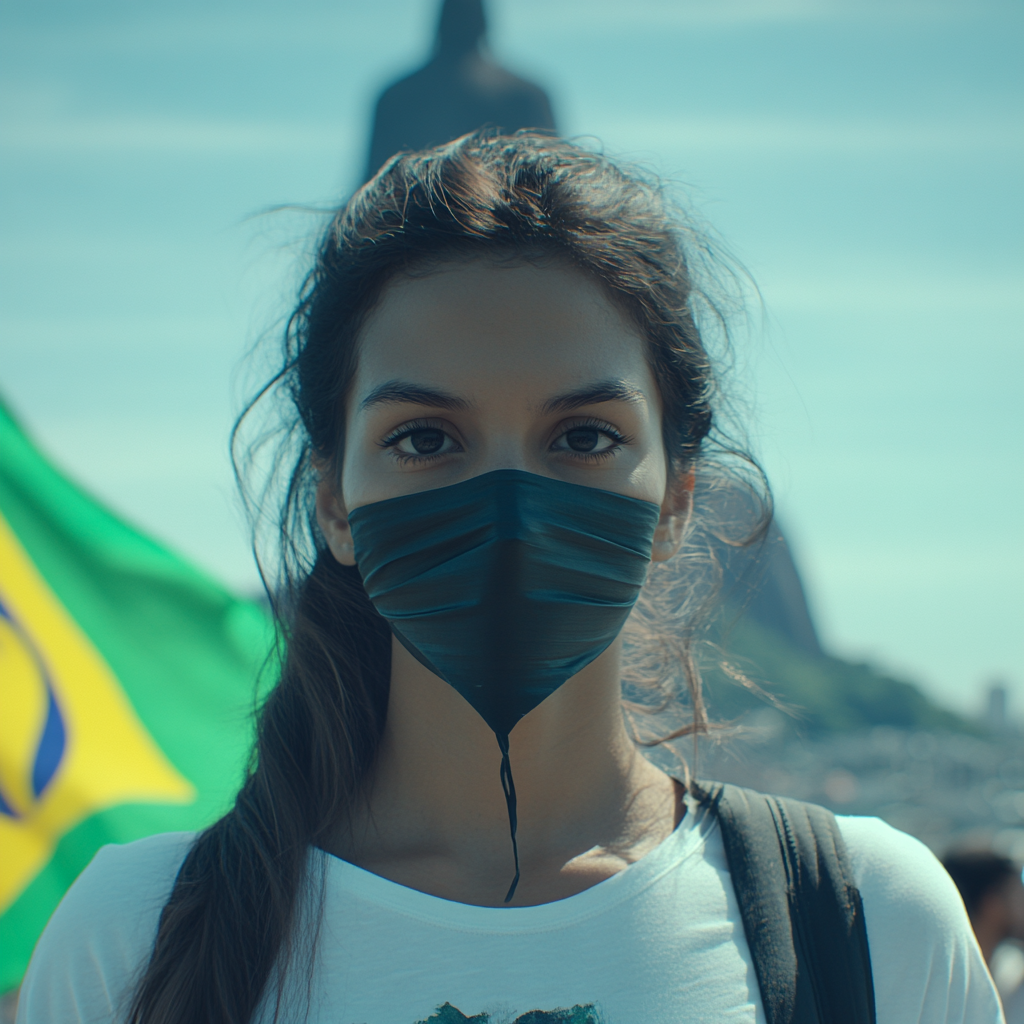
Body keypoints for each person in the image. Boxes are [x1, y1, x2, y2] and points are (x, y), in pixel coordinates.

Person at [16, 133, 1001, 1024]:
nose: (507, 505)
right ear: (333, 503)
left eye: (582, 437)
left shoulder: (869, 923)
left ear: (675, 500)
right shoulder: (133, 937)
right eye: (424, 438)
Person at [364, 0, 555, 182]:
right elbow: (553, 184)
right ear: (484, 22)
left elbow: (369, 189)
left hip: (410, 215)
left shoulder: (396, 97)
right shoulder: (526, 95)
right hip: (509, 215)